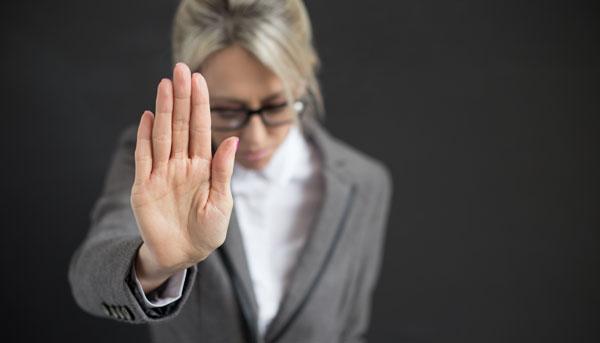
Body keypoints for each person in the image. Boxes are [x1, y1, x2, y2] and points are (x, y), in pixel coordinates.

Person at [68, 0, 393, 342]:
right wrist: (155, 262)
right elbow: (89, 279)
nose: (255, 138)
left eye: (275, 105)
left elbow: (349, 330)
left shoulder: (364, 184)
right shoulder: (154, 162)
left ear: (303, 78)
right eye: (226, 111)